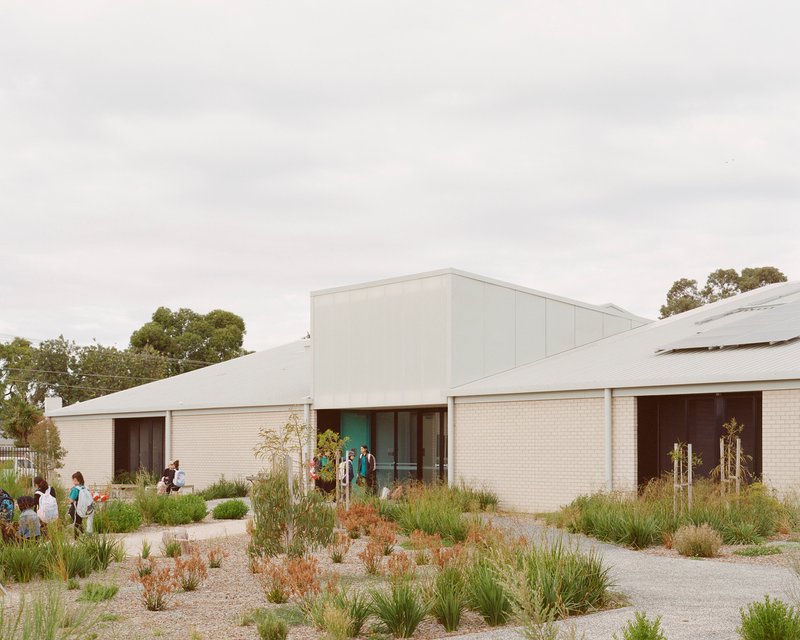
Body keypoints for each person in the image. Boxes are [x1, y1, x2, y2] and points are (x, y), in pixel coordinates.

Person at [68, 471, 93, 537]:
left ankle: (77, 538)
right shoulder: (85, 488)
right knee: (79, 522)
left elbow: (71, 500)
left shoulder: (75, 489)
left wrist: (69, 493)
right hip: (83, 508)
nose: (73, 482)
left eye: (74, 480)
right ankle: (84, 535)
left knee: (76, 523)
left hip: (75, 508)